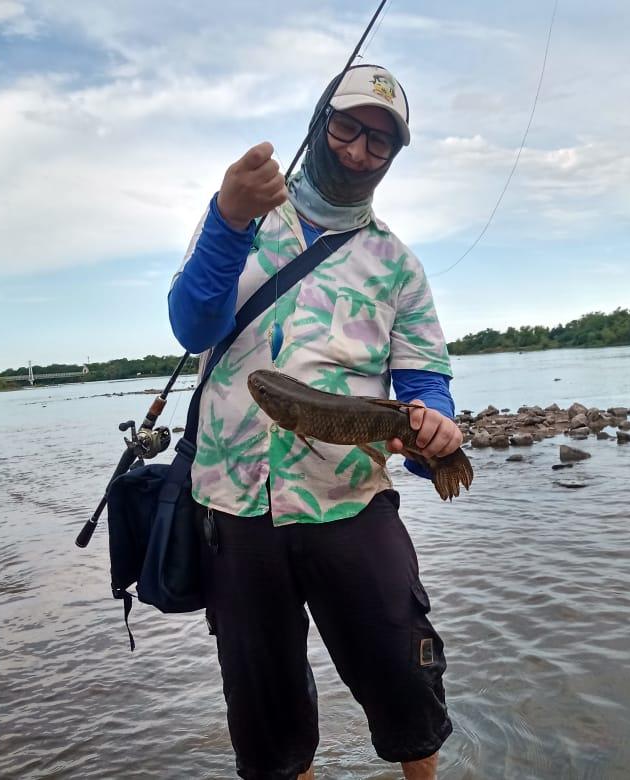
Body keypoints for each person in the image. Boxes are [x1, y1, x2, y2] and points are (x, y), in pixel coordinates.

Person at [168, 64, 461, 780]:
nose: (360, 151)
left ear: (394, 158)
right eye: (348, 127)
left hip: (351, 499)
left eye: (380, 143)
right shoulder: (237, 218)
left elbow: (425, 381)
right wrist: (227, 217)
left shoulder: (398, 264)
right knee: (266, 709)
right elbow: (191, 323)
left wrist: (436, 434)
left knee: (402, 673)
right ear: (319, 123)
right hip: (236, 507)